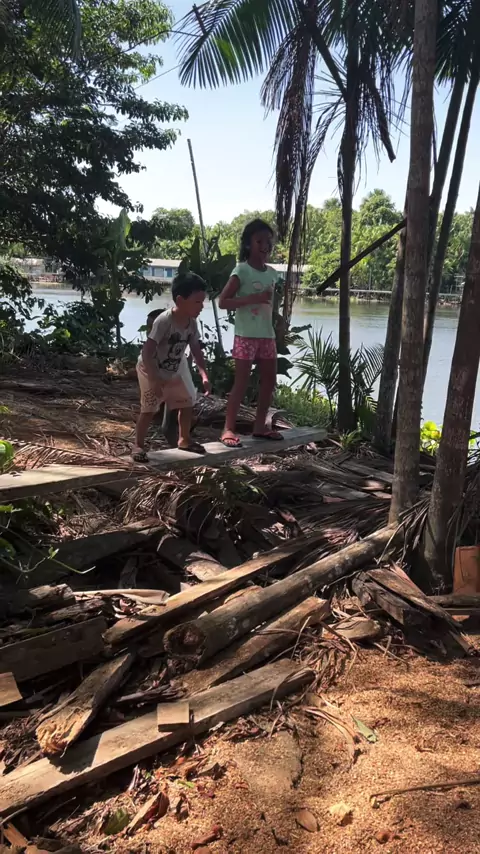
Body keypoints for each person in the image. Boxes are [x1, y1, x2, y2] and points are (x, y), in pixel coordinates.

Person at [218, 218, 283, 448]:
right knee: (242, 382)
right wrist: (252, 298)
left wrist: (278, 322)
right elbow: (223, 302)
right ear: (248, 244)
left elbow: (270, 305)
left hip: (267, 335)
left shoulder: (272, 273)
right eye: (259, 241)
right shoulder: (241, 271)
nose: (265, 246)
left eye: (268, 241)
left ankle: (260, 427)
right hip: (245, 335)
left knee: (269, 380)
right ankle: (228, 428)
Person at [133, 272, 211, 461]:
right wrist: (154, 379)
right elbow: (147, 351)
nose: (201, 306)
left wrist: (204, 375)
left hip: (173, 368)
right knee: (149, 408)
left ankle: (184, 439)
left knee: (187, 401)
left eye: (202, 302)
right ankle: (138, 446)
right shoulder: (164, 321)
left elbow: (196, 350)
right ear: (180, 300)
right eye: (197, 302)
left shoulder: (192, 323)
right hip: (150, 368)